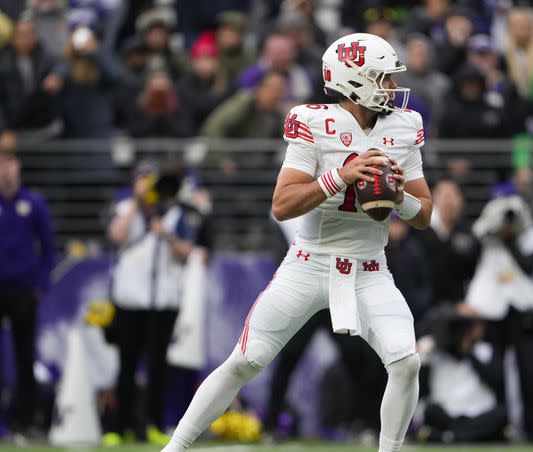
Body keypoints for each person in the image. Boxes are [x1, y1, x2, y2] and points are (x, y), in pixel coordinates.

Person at [161, 32, 432, 452]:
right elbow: (283, 205)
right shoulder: (313, 121)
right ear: (354, 80)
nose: (392, 88)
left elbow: (425, 214)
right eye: (382, 78)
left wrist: (399, 198)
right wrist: (340, 176)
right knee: (245, 360)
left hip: (369, 268)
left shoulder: (403, 126)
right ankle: (174, 448)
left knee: (406, 361)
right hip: (309, 263)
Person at [105, 163, 196, 445]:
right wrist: (135, 201)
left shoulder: (175, 213)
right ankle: (120, 428)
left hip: (163, 301)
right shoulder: (124, 209)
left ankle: (155, 423)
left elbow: (186, 252)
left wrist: (165, 234)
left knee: (158, 366)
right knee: (126, 364)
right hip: (130, 299)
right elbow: (116, 236)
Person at [465, 194, 533, 441]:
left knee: (530, 373)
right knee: (495, 372)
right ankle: (498, 426)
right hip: (494, 312)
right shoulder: (487, 238)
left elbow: (529, 265)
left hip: (524, 312)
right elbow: (470, 250)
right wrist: (490, 225)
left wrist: (510, 237)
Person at [0, 149, 54, 437]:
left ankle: (26, 422)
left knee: (24, 358)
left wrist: (41, 284)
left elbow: (48, 247)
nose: (5, 171)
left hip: (23, 291)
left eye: (9, 164)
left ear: (18, 167)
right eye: (1, 165)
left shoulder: (33, 203)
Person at [416, 306, 507, 443]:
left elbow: (497, 384)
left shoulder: (485, 351)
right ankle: (468, 436)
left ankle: (450, 437)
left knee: (501, 414)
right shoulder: (434, 353)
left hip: (479, 413)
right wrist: (424, 361)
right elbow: (422, 392)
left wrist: (469, 353)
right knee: (429, 411)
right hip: (447, 415)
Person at [0, 17, 62, 146]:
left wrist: (57, 75)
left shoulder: (44, 55)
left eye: (30, 34)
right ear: (13, 38)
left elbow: (62, 64)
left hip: (44, 127)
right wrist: (3, 130)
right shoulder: (4, 62)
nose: (26, 39)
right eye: (22, 34)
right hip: (14, 128)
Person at [416, 179, 479, 307]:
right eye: (444, 195)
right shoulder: (420, 232)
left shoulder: (467, 234)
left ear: (461, 200)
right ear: (433, 199)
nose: (449, 200)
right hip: (426, 308)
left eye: (453, 195)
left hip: (460, 307)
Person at [201, 71, 286, 139]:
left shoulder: (278, 114)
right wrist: (222, 159)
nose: (276, 94)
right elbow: (213, 127)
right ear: (260, 88)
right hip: (232, 155)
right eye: (272, 89)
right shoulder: (244, 103)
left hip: (259, 159)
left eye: (280, 90)